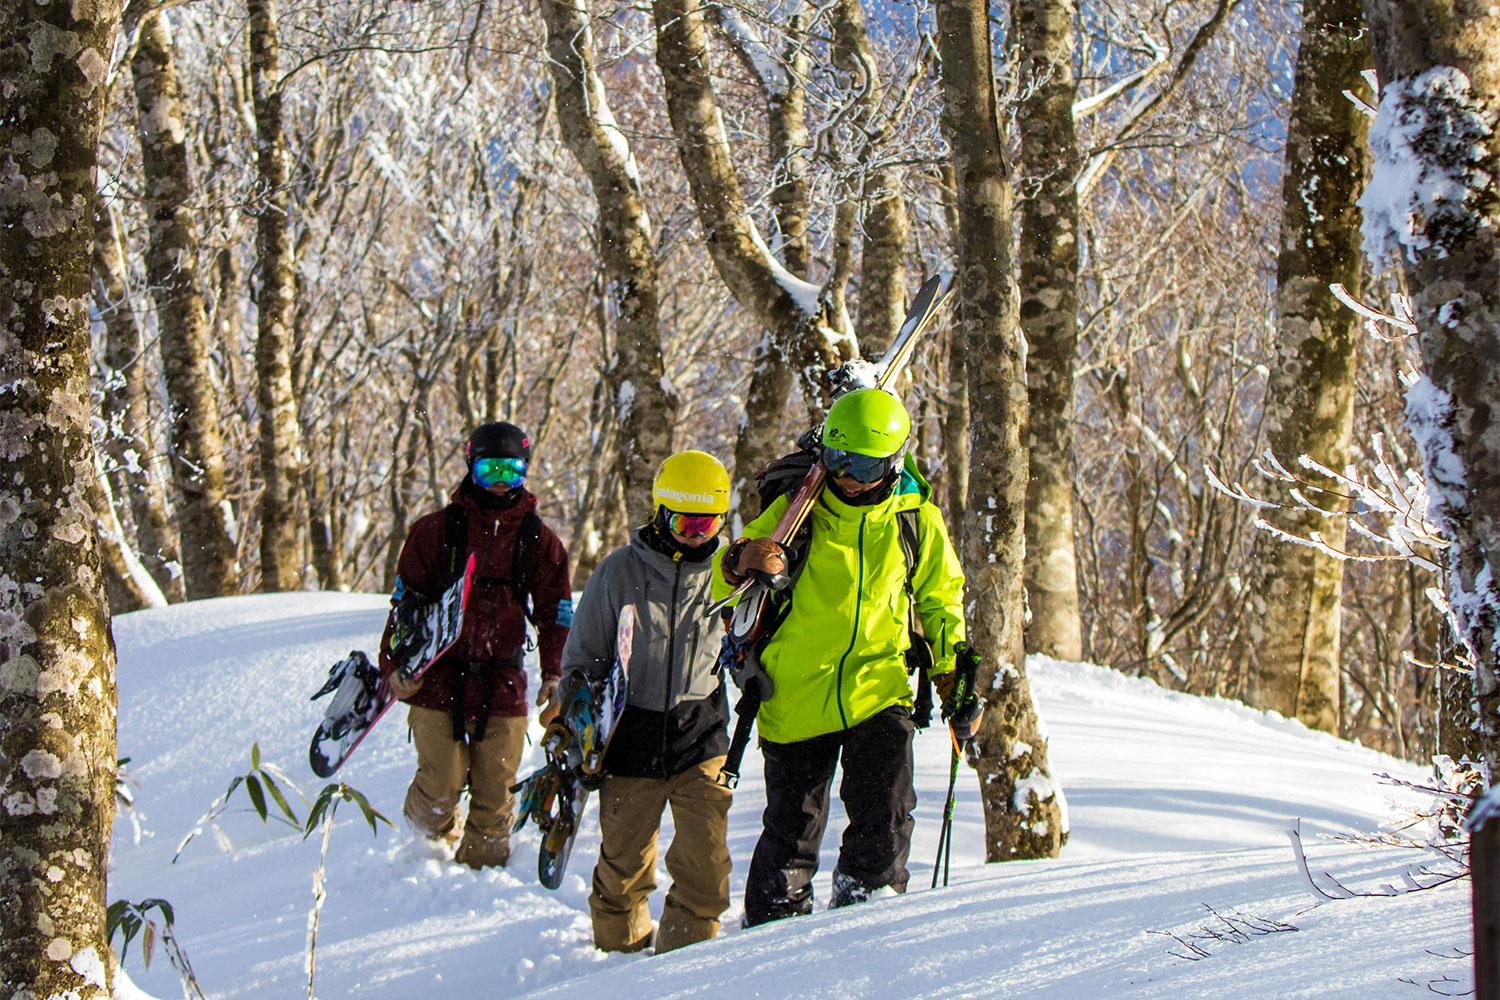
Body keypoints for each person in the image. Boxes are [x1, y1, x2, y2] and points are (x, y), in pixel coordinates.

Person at [713, 387, 975, 925]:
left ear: (893, 460)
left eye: (861, 463)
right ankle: (770, 936)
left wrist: (952, 675)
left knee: (886, 820)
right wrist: (744, 556)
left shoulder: (914, 519)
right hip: (795, 693)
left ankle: (868, 920)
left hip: (878, 689)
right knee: (791, 835)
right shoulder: (799, 507)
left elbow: (940, 598)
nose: (848, 475)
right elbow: (729, 572)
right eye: (837, 458)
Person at [561, 450, 734, 954]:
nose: (695, 534)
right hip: (628, 737)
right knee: (622, 869)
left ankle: (681, 967)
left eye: (708, 523)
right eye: (684, 521)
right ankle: (620, 963)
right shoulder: (617, 572)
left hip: (699, 733)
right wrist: (582, 733)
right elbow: (582, 662)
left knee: (706, 867)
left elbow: (752, 643)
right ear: (660, 512)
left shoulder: (731, 574)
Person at [380, 421, 573, 869]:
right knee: (440, 788)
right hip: (436, 675)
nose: (502, 481)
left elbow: (556, 612)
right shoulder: (434, 532)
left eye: (513, 470)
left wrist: (554, 672)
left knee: (494, 798)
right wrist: (393, 664)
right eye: (490, 470)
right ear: (471, 468)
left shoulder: (540, 541)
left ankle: (477, 889)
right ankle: (423, 849)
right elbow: (402, 604)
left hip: (502, 680)